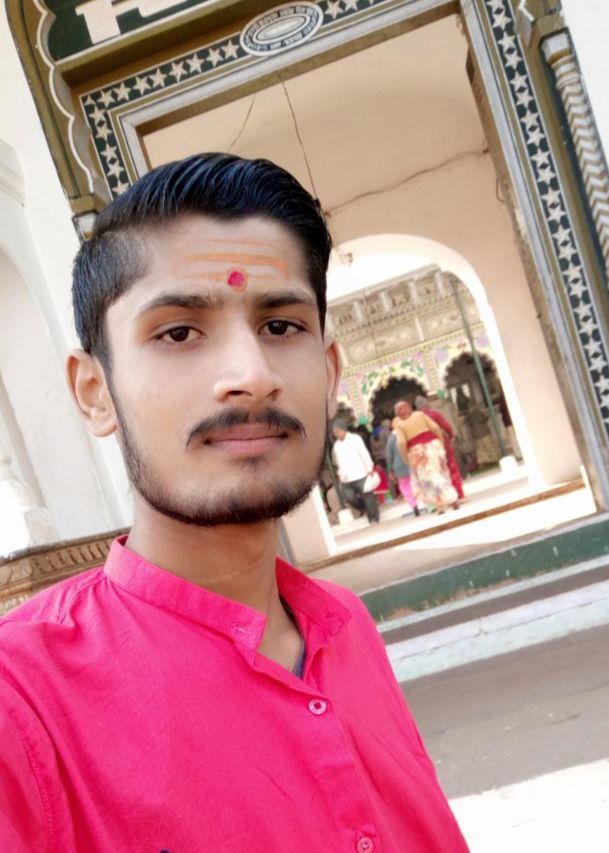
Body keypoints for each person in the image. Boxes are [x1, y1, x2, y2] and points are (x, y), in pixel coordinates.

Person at [0, 154, 467, 852]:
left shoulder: (345, 626)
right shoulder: (23, 704)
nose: (251, 375)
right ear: (95, 392)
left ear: (330, 372)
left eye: (280, 327)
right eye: (179, 332)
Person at [394, 399, 459, 514]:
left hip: (418, 453)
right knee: (439, 473)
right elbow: (435, 427)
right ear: (409, 408)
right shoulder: (420, 415)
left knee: (428, 479)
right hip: (433, 447)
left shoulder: (400, 425)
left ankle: (445, 502)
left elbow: (401, 443)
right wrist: (440, 441)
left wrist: (405, 457)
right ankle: (447, 502)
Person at [415, 394, 465, 501]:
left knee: (436, 473)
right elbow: (446, 427)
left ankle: (443, 498)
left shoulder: (417, 419)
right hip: (442, 444)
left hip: (427, 449)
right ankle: (459, 494)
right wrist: (451, 436)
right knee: (452, 468)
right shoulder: (434, 414)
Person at [331, 420, 380, 523]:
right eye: (334, 433)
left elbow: (364, 453)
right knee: (349, 498)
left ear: (343, 429)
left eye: (337, 431)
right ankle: (367, 508)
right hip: (346, 478)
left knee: (367, 495)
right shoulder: (336, 446)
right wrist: (340, 474)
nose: (336, 434)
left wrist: (369, 468)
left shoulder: (355, 439)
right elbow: (338, 462)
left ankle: (374, 518)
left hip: (361, 474)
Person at [387, 419, 420, 516]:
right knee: (419, 482)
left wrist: (390, 470)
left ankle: (413, 504)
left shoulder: (391, 439)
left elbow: (389, 456)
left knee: (405, 486)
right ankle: (429, 503)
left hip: (399, 467)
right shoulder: (408, 433)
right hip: (411, 462)